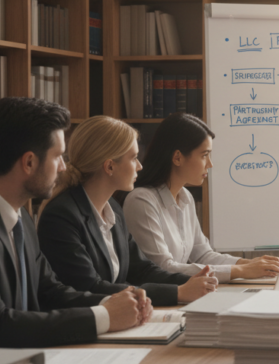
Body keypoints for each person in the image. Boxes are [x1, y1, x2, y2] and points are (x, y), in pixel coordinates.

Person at [0, 98, 151, 348]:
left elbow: (50, 292)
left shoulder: (19, 215)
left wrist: (115, 301)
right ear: (29, 162)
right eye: (58, 156)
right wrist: (104, 317)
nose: (64, 167)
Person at [37, 116, 218, 306]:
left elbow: (141, 269)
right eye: (133, 158)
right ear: (109, 166)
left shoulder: (113, 208)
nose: (140, 166)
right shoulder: (61, 216)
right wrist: (178, 292)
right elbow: (90, 286)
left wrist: (191, 281)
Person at [123, 113, 279, 282]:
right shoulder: (141, 201)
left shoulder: (185, 197)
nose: (210, 164)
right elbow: (163, 268)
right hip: (156, 300)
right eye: (204, 155)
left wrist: (250, 264)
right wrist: (240, 270)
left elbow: (203, 255)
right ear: (177, 157)